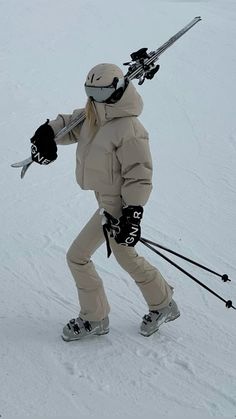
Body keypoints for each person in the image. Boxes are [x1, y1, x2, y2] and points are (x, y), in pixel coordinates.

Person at [30, 63, 180, 341]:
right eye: (90, 92)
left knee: (78, 256)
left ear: (115, 90)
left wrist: (133, 214)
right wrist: (47, 133)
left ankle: (94, 318)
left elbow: (140, 174)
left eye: (99, 93)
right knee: (126, 256)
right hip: (105, 201)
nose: (93, 99)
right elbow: (70, 125)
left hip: (118, 205)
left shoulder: (129, 128)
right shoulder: (95, 113)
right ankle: (163, 303)